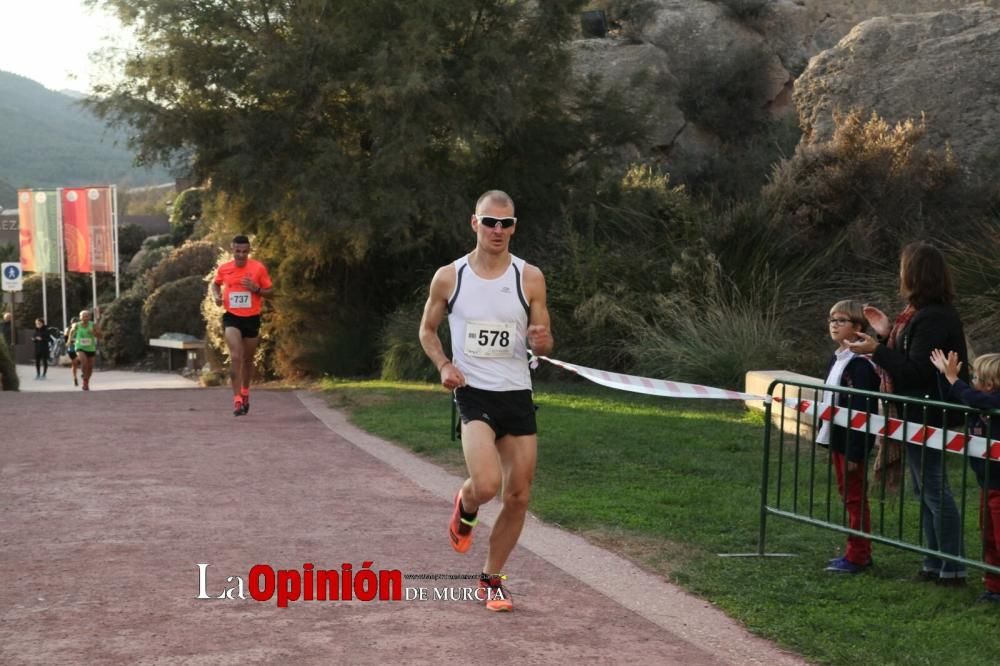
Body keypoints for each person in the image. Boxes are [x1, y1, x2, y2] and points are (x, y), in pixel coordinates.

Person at [418, 190, 553, 612]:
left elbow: (543, 338)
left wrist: (542, 340)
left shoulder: (529, 277)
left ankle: (492, 579)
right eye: (490, 222)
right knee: (489, 485)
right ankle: (467, 501)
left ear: (515, 227)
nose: (498, 230)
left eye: (506, 223)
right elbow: (427, 330)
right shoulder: (449, 277)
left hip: (517, 393)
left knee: (518, 496)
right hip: (473, 393)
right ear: (474, 223)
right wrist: (443, 365)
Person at [847, 241, 968, 585]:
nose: (900, 274)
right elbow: (910, 357)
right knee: (925, 488)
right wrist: (887, 335)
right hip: (917, 411)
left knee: (933, 488)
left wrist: (876, 350)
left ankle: (952, 566)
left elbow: (916, 371)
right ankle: (934, 563)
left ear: (915, 274)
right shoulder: (918, 315)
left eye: (904, 268)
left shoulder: (932, 317)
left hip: (929, 412)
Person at [930, 349, 1000, 603]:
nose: (971, 383)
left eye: (975, 379)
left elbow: (974, 398)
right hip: (987, 483)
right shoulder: (975, 400)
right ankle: (994, 587)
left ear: (990, 384)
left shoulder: (993, 402)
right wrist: (945, 377)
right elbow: (955, 398)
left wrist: (954, 380)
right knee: (988, 536)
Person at [817, 301, 881, 574]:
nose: (834, 324)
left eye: (842, 320)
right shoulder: (837, 358)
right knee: (847, 494)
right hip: (836, 436)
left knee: (855, 496)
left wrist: (857, 453)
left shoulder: (861, 366)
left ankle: (858, 554)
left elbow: (863, 411)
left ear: (857, 328)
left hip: (851, 442)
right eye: (832, 319)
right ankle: (855, 550)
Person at [211, 234, 273, 416]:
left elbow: (271, 292)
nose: (241, 255)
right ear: (232, 250)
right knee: (236, 356)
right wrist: (216, 296)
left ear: (249, 251)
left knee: (248, 360)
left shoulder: (258, 268)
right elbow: (215, 285)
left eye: (244, 252)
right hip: (232, 317)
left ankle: (245, 392)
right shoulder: (224, 269)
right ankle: (237, 400)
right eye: (238, 251)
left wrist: (257, 289)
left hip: (252, 319)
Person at [74, 310, 101, 391]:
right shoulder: (77, 325)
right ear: (80, 317)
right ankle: (84, 375)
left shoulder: (93, 325)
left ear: (89, 317)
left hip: (90, 348)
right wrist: (68, 340)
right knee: (84, 362)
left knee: (90, 367)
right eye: (83, 316)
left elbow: (101, 335)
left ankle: (86, 381)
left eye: (87, 316)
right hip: (80, 347)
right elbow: (71, 331)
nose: (85, 318)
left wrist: (94, 333)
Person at [65, 317, 80, 386]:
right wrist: (72, 341)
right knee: (74, 364)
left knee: (82, 360)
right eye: (73, 323)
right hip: (72, 349)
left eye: (76, 323)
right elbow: (66, 341)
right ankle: (75, 378)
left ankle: (83, 373)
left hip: (80, 348)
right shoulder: (68, 330)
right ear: (71, 323)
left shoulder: (80, 329)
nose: (74, 324)